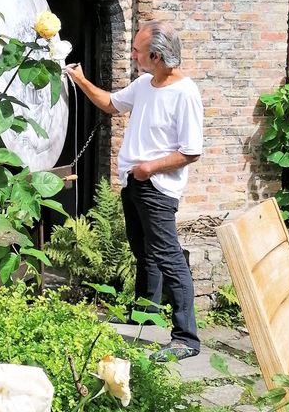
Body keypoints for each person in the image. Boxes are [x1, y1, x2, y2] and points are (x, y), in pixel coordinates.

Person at [65, 20, 204, 362]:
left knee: (169, 258)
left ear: (156, 56)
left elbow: (191, 150)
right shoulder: (144, 84)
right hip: (134, 182)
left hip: (156, 186)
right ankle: (146, 314)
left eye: (138, 50)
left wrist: (149, 168)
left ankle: (186, 338)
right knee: (144, 253)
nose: (133, 54)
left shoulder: (185, 94)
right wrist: (80, 79)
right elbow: (111, 103)